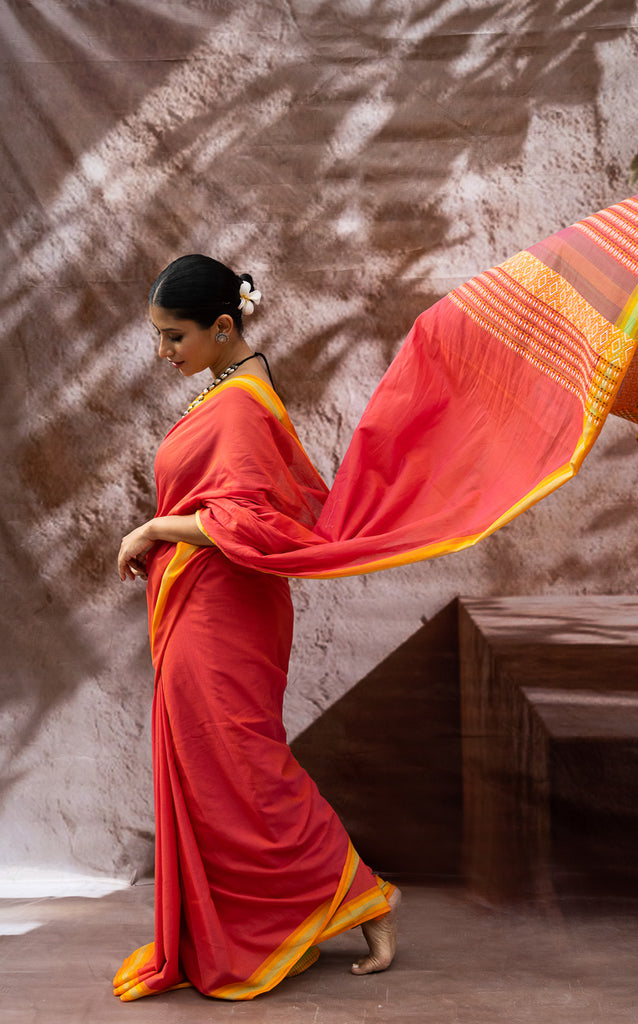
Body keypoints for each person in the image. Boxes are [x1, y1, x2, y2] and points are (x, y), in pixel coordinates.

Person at [114, 254, 400, 1002]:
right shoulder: (230, 388)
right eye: (158, 336)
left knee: (241, 764)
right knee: (213, 771)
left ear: (222, 325)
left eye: (174, 338)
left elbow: (245, 520)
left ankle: (363, 896)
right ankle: (269, 921)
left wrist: (152, 529)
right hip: (205, 602)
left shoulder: (240, 403)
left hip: (222, 610)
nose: (162, 353)